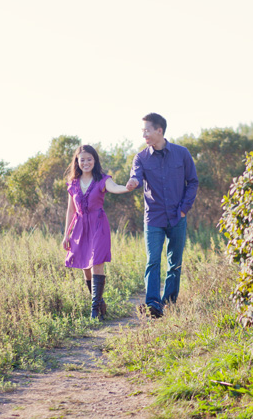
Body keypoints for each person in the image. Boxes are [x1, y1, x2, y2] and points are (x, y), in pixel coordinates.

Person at [125, 113, 198, 318]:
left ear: (159, 130)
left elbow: (192, 182)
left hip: (177, 217)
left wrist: (184, 209)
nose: (144, 135)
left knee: (175, 263)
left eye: (147, 130)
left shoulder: (182, 154)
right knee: (153, 261)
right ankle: (152, 305)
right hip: (154, 218)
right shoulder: (141, 157)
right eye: (142, 131)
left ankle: (168, 304)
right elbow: (136, 176)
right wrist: (133, 183)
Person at [62, 144, 133, 319]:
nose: (86, 163)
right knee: (85, 266)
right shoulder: (73, 184)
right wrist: (66, 234)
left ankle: (95, 311)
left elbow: (115, 187)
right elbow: (71, 211)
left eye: (89, 159)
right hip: (79, 227)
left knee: (97, 262)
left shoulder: (102, 179)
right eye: (82, 160)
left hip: (98, 225)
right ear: (77, 162)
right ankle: (99, 303)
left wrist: (127, 187)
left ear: (95, 160)